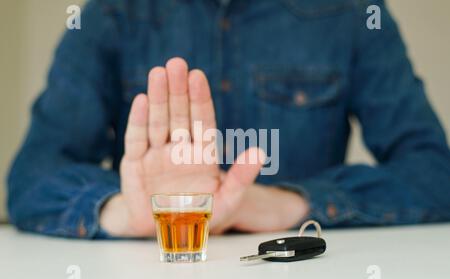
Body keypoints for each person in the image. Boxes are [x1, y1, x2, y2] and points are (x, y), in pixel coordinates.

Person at [7, 0, 450, 239]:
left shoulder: (352, 13)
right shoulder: (111, 15)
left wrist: (288, 204)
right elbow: (32, 177)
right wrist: (124, 213)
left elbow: (434, 175)